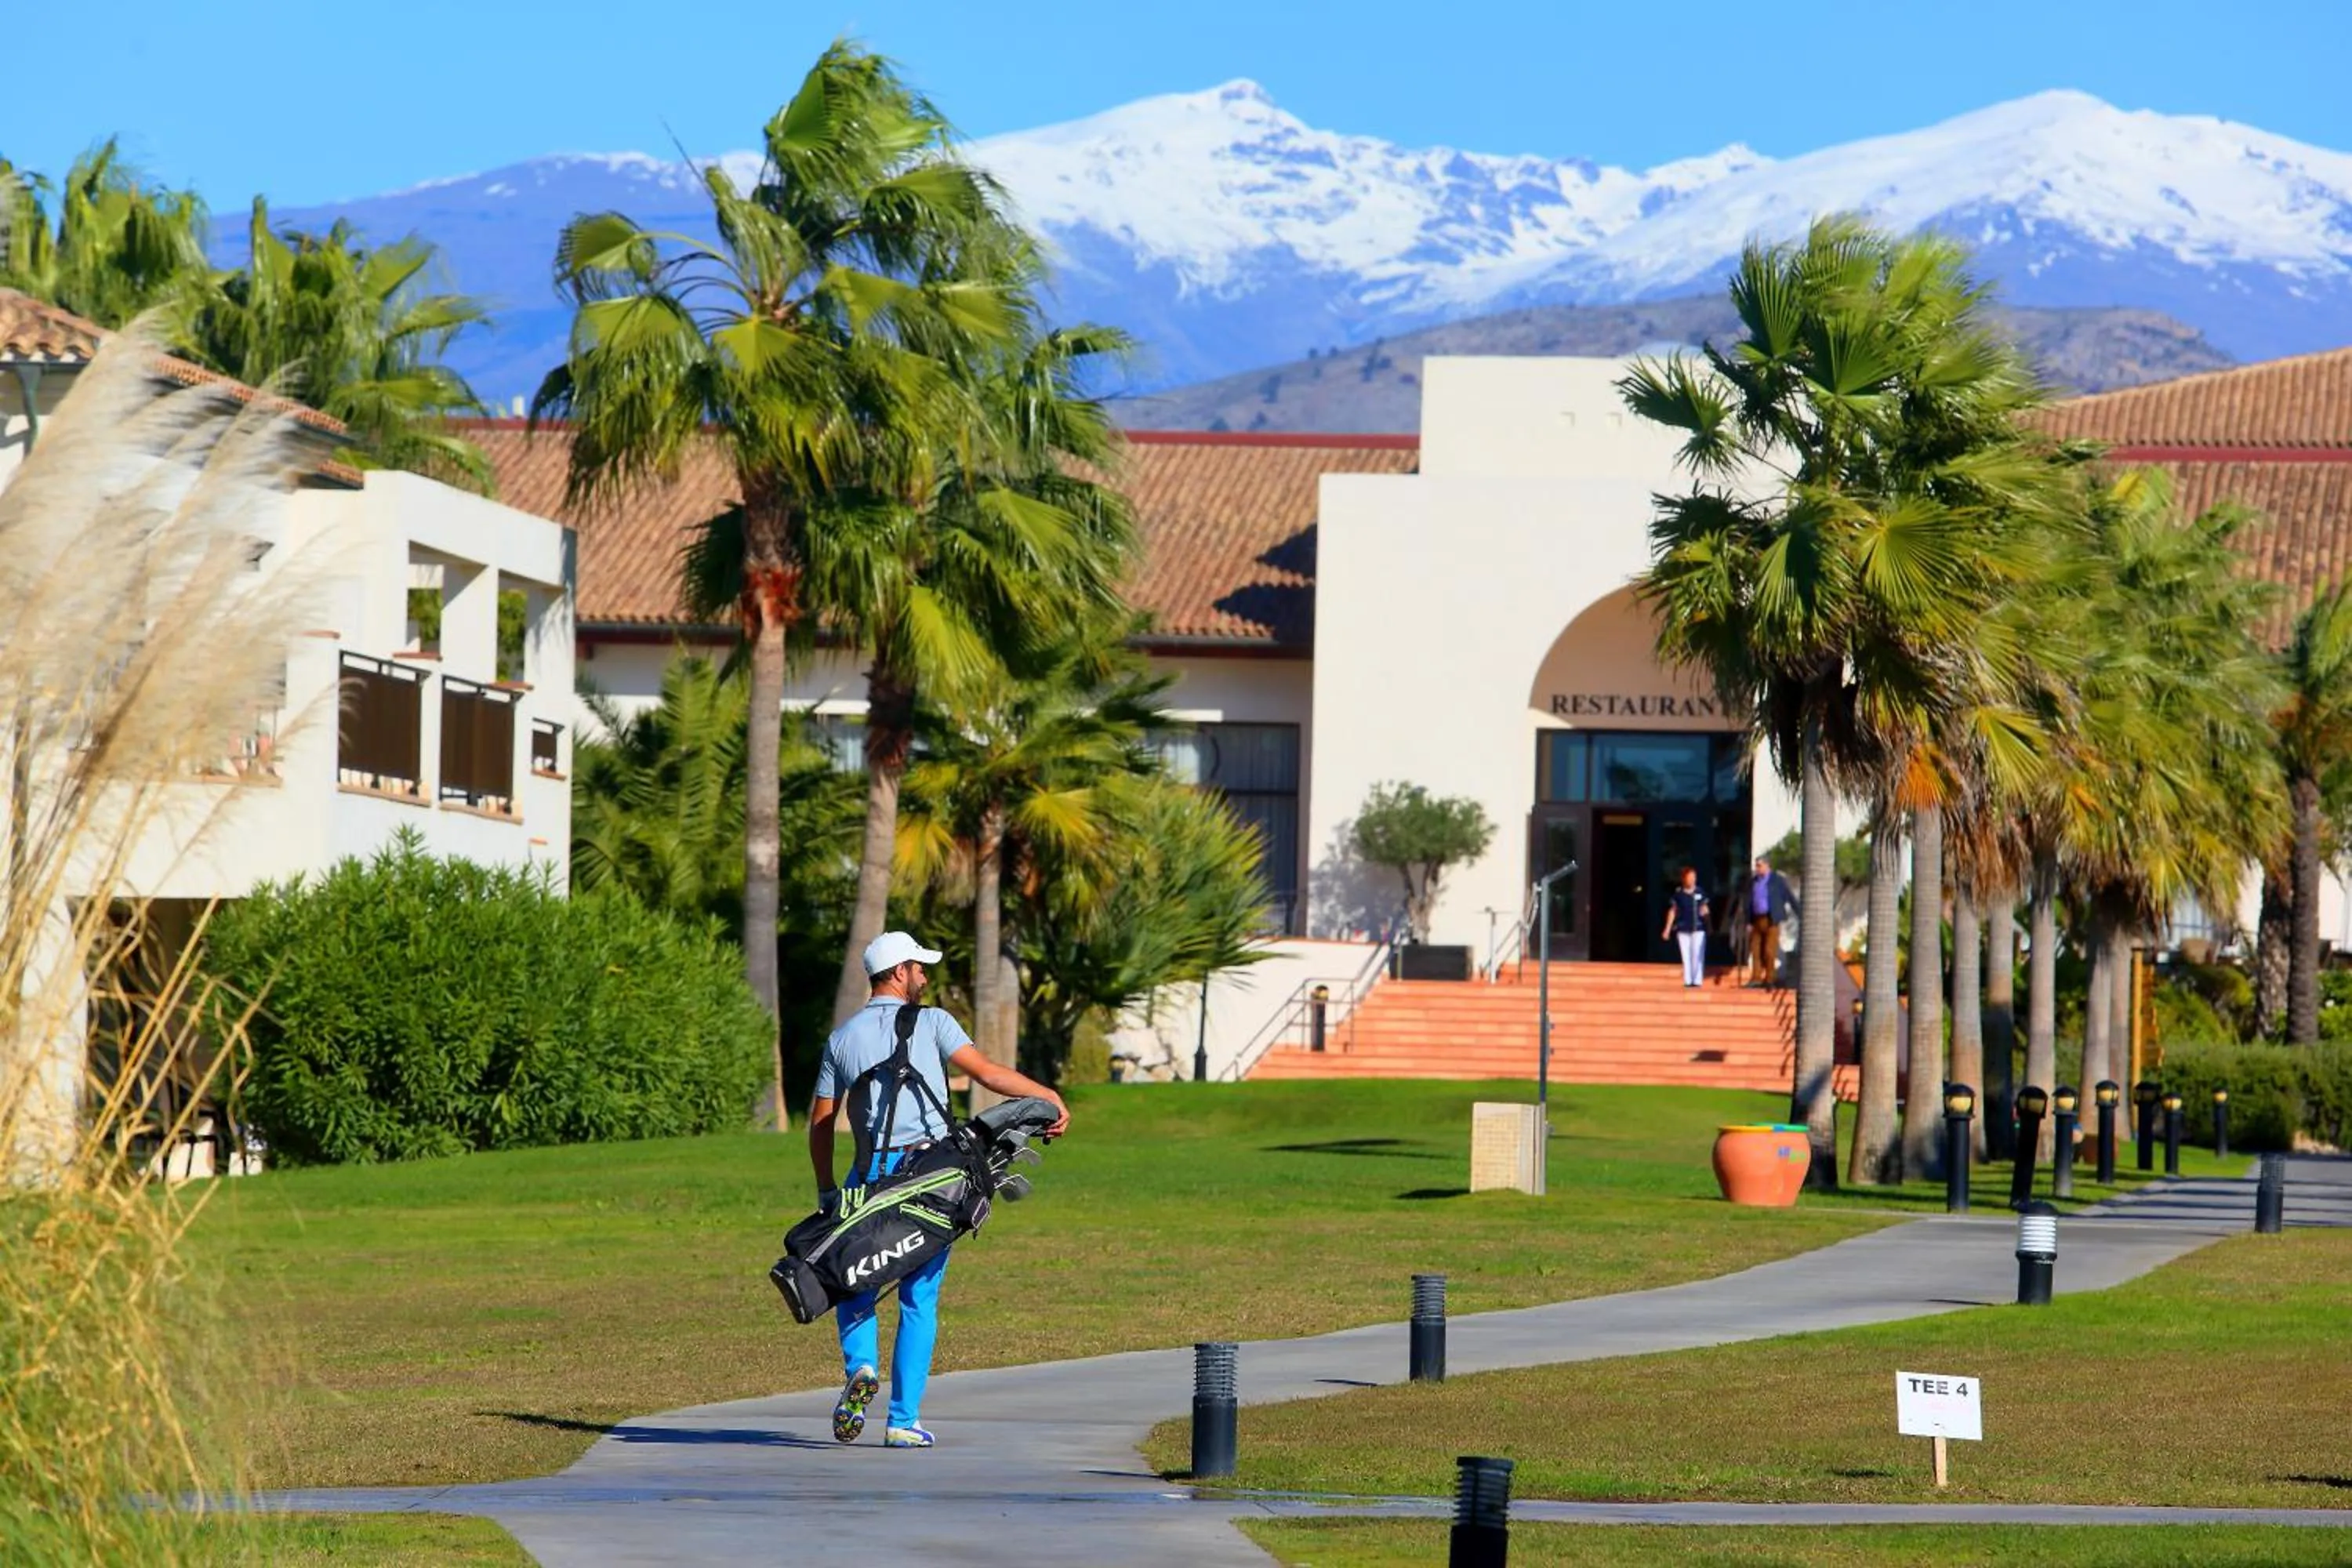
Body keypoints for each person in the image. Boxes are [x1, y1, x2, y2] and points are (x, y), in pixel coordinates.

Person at [808, 930, 1069, 1450]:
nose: (925, 977)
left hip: (869, 1179)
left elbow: (820, 1123)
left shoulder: (842, 1039)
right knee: (918, 1298)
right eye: (920, 968)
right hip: (932, 1181)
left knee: (854, 1280)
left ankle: (861, 1365)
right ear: (900, 972)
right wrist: (1048, 1096)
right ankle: (903, 1420)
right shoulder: (934, 1023)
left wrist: (828, 1189)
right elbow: (990, 1076)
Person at [1744, 855, 1799, 987]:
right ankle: (1756, 978)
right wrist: (1748, 921)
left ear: (1767, 866)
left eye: (1759, 865)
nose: (1757, 868)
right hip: (1756, 919)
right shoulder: (1753, 882)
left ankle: (1770, 978)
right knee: (1755, 950)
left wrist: (1799, 913)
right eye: (1756, 866)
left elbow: (1789, 897)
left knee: (1769, 950)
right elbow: (1748, 902)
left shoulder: (1777, 881)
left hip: (1771, 919)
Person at [1661, 866, 1709, 989]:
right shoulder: (1679, 895)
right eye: (1690, 877)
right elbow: (1673, 911)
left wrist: (1709, 925)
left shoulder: (1700, 892)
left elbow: (1705, 909)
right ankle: (1688, 980)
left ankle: (1697, 980)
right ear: (1684, 879)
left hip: (1698, 928)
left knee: (1697, 953)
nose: (1692, 880)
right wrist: (1667, 928)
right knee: (1686, 955)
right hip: (1683, 928)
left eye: (1694, 877)